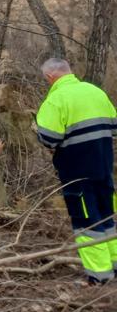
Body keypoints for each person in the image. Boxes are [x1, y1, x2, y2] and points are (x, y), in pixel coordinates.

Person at [35, 58, 117, 284]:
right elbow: (114, 125)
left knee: (87, 222)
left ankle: (99, 276)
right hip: (104, 168)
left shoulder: (56, 100)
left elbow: (48, 138)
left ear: (50, 77)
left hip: (77, 175)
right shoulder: (95, 91)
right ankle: (114, 264)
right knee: (108, 217)